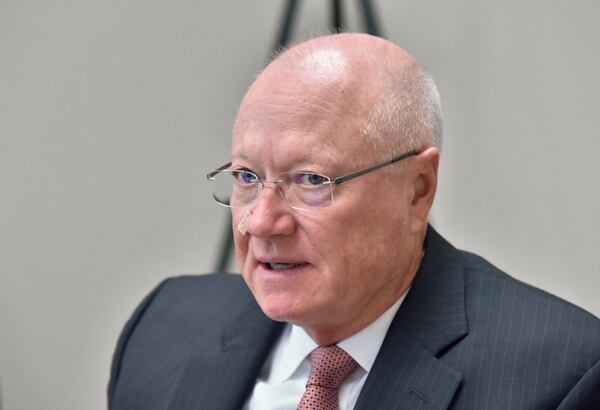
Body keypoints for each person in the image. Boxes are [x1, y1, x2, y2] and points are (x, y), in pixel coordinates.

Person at [108, 33, 600, 409]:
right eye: (246, 176)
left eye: (311, 180)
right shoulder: (163, 326)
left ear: (418, 188)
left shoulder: (562, 376)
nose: (261, 223)